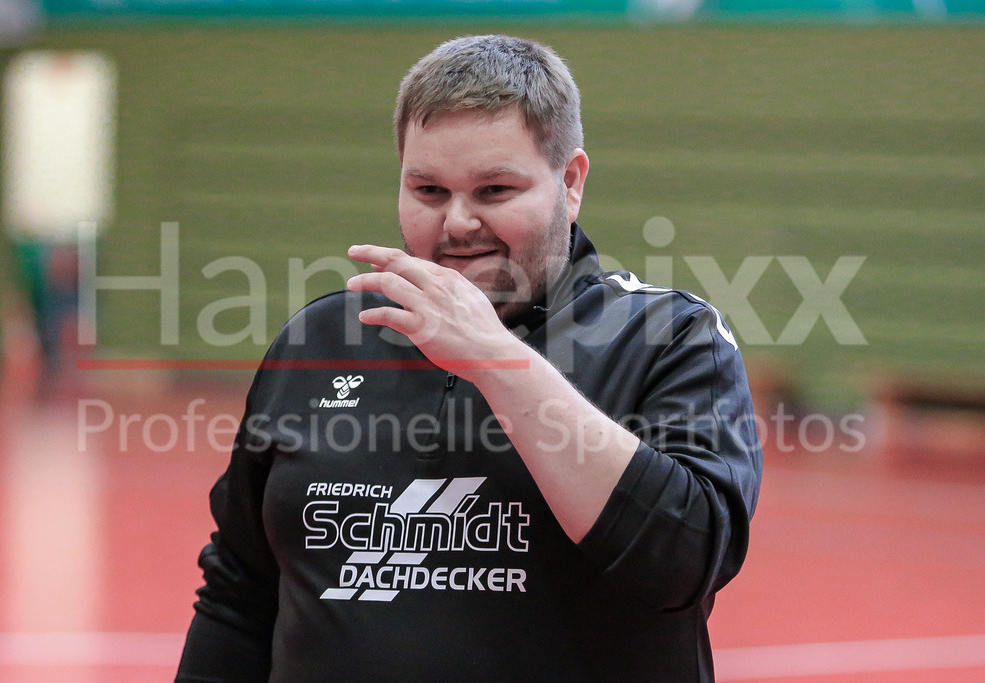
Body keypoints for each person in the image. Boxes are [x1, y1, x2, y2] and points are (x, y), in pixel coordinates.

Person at [176, 34, 761, 681]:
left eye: (493, 190)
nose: (457, 222)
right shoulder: (319, 341)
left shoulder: (668, 337)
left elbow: (685, 559)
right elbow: (238, 593)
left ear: (570, 183)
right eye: (428, 189)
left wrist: (495, 359)